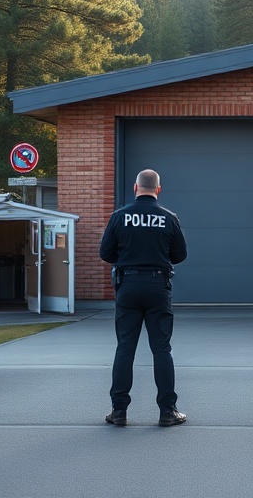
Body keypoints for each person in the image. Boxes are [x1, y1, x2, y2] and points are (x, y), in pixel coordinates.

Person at [99, 169, 188, 427]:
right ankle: (167, 411)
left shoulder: (119, 216)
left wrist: (128, 261)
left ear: (135, 188)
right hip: (158, 286)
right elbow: (180, 254)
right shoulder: (169, 218)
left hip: (127, 285)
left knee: (125, 348)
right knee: (161, 348)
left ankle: (119, 412)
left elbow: (106, 253)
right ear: (158, 190)